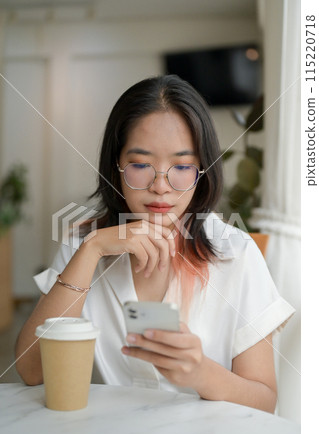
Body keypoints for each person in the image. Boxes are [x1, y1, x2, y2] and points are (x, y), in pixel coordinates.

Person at [15, 75, 295, 413]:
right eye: (140, 164)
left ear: (202, 171)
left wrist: (200, 373)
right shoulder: (85, 244)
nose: (161, 186)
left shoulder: (235, 252)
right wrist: (90, 251)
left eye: (181, 166)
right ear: (115, 167)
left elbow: (264, 402)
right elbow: (31, 371)